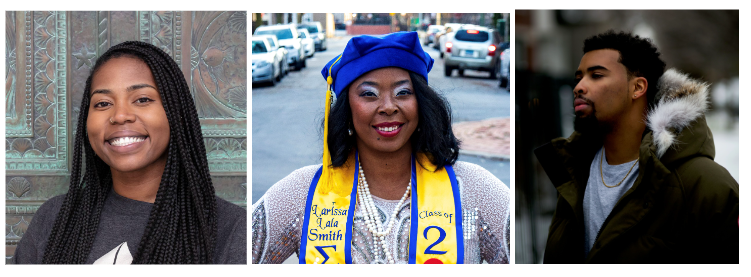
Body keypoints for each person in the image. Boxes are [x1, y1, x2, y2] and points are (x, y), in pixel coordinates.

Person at [252, 32, 509, 264]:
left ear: (422, 103)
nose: (388, 106)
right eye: (369, 94)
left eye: (403, 92)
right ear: (346, 110)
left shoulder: (472, 190)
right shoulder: (303, 193)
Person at [12, 41, 246, 264]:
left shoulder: (231, 230)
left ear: (176, 112)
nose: (120, 115)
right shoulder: (55, 218)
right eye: (103, 103)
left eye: (142, 99)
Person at [535, 30, 739, 263]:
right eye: (579, 77)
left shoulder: (705, 183)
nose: (579, 87)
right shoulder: (575, 169)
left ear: (638, 88)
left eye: (596, 75)